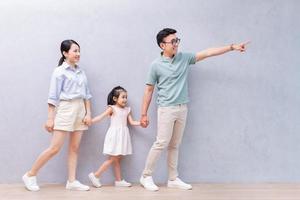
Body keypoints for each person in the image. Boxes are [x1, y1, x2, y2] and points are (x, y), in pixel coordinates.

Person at [139, 28, 249, 191]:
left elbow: (208, 53)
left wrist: (231, 47)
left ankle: (173, 178)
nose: (176, 44)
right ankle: (146, 176)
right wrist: (143, 114)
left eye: (177, 40)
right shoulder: (155, 66)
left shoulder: (184, 58)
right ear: (163, 45)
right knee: (161, 142)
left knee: (175, 144)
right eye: (173, 41)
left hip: (182, 108)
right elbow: (148, 90)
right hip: (166, 109)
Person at [22, 40, 92, 191]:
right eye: (74, 51)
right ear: (65, 53)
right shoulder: (59, 71)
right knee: (54, 148)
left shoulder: (81, 72)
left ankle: (72, 181)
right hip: (66, 109)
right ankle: (30, 174)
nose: (78, 54)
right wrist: (50, 118)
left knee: (74, 148)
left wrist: (88, 113)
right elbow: (52, 97)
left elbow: (87, 95)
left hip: (80, 109)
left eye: (79, 50)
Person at [88, 86, 140, 187]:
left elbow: (132, 122)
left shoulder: (127, 110)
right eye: (123, 97)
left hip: (123, 135)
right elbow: (101, 117)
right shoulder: (112, 108)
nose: (125, 99)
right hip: (115, 135)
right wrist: (91, 121)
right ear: (115, 99)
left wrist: (141, 123)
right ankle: (96, 175)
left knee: (117, 159)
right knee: (113, 158)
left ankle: (118, 180)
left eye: (126, 97)